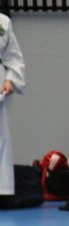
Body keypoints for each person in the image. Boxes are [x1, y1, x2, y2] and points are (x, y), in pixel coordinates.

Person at [0, 12, 25, 200]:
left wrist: (10, 79)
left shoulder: (3, 21)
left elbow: (14, 57)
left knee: (2, 138)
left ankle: (2, 191)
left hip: (1, 86)